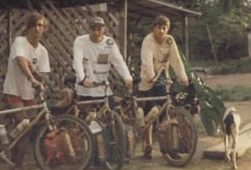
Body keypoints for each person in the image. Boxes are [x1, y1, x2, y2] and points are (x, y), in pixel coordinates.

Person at [2, 12, 51, 170]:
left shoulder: (42, 51)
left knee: (26, 130)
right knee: (23, 125)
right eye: (36, 25)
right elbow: (20, 61)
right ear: (29, 27)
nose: (39, 29)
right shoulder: (20, 42)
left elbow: (42, 75)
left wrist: (35, 73)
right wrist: (30, 76)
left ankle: (15, 163)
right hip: (14, 90)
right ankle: (15, 166)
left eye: (42, 26)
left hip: (30, 94)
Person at [138, 15, 190, 159]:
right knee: (151, 112)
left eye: (164, 28)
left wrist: (183, 77)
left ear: (167, 29)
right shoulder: (148, 40)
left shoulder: (169, 40)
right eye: (158, 27)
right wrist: (150, 76)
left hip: (162, 78)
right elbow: (146, 59)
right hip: (148, 80)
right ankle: (147, 146)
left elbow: (176, 59)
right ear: (153, 28)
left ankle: (167, 148)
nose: (161, 31)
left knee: (164, 113)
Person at [72, 15, 133, 102]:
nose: (96, 32)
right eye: (93, 29)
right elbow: (77, 61)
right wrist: (82, 79)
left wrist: (127, 77)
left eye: (99, 29)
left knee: (113, 111)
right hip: (85, 89)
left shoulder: (109, 43)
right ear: (89, 29)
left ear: (104, 29)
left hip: (103, 89)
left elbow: (119, 62)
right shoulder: (80, 41)